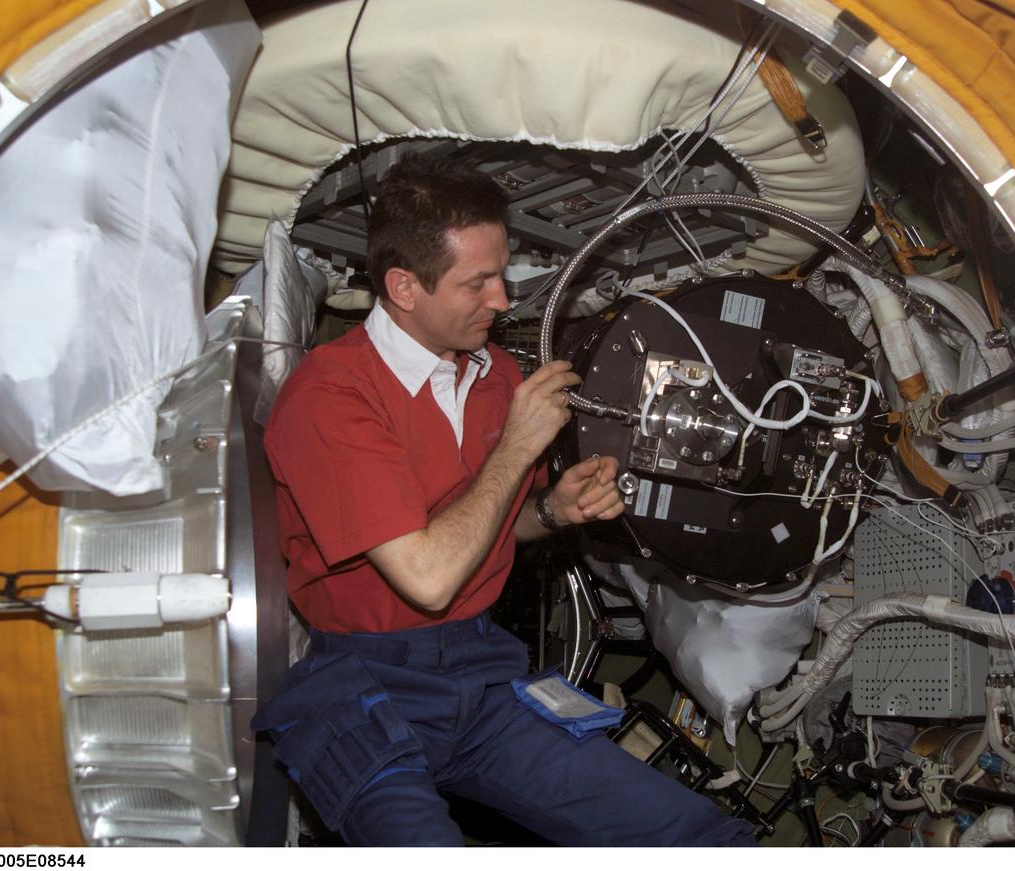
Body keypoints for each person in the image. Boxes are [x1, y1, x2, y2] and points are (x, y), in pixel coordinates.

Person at [252, 153, 757, 847]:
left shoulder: (499, 376)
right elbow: (427, 576)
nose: (502, 299)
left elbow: (478, 529)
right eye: (478, 281)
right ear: (403, 285)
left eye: (503, 272)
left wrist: (551, 512)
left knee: (699, 836)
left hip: (481, 673)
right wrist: (517, 447)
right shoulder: (330, 395)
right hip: (364, 681)